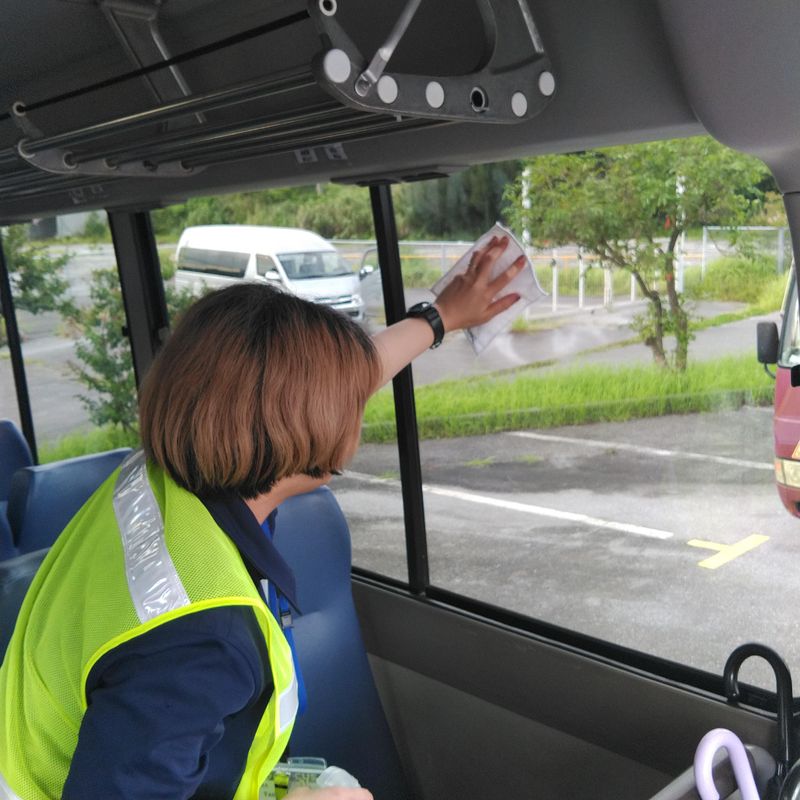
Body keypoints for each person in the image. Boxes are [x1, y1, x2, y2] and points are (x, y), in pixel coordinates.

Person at [0, 237, 523, 800]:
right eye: (346, 401)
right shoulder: (201, 640)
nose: (357, 406)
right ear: (308, 425)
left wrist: (439, 317)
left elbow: (324, 386)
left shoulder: (153, 477)